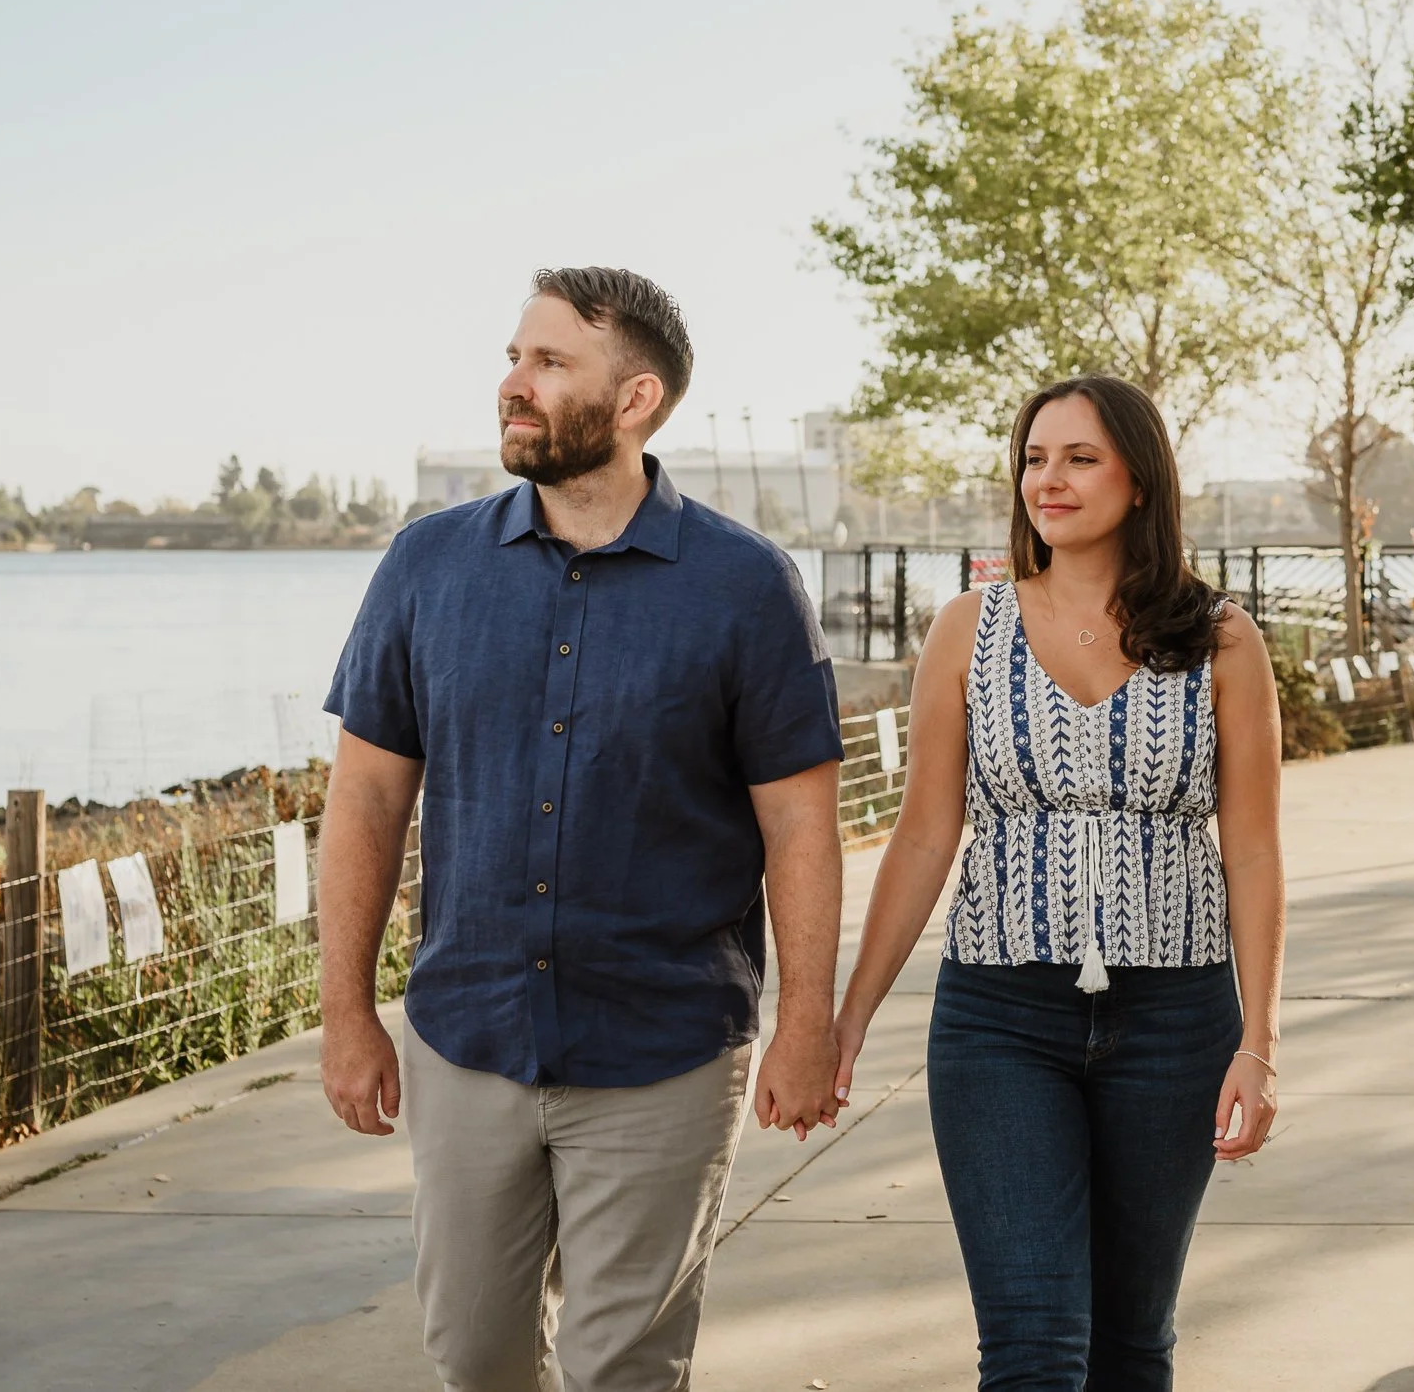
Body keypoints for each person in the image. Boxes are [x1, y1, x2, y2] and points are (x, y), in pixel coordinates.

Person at [316, 266, 846, 1392]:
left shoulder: (745, 585)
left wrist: (807, 1020)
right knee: (475, 1352)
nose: (513, 382)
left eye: (549, 362)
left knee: (624, 1365)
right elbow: (364, 796)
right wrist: (345, 1008)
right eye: (515, 356)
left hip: (664, 1044)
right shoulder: (427, 565)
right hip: (469, 1032)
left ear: (637, 396)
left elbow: (800, 821)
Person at [833, 373, 1286, 1391]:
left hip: (1175, 1017)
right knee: (1034, 1343)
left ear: (1139, 478)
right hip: (1000, 1018)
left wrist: (1259, 1043)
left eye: (1080, 457)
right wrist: (849, 1015)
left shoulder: (1220, 637)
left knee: (1133, 1341)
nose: (1051, 478)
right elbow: (919, 837)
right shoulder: (968, 627)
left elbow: (1253, 848)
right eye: (1036, 458)